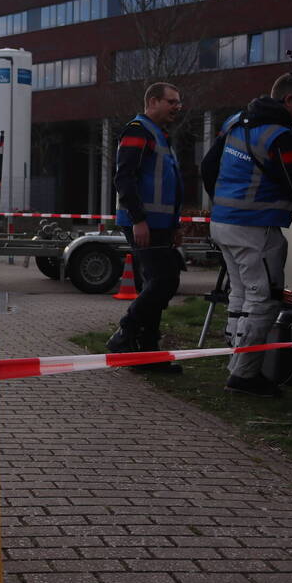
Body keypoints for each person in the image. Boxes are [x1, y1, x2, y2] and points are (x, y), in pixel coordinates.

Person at [201, 73, 292, 397]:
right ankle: (245, 376)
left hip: (224, 223)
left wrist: (222, 205)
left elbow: (208, 166)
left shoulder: (236, 120)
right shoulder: (281, 137)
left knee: (240, 294)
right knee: (263, 298)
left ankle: (235, 363)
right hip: (255, 229)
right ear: (290, 100)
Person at [107, 82, 185, 374]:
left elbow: (168, 186)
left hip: (160, 225)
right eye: (172, 101)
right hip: (144, 224)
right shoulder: (138, 131)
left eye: (178, 102)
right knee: (165, 281)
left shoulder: (161, 136)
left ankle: (146, 355)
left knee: (157, 282)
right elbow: (124, 179)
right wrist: (139, 219)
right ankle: (126, 331)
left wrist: (175, 224)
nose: (178, 107)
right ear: (153, 101)